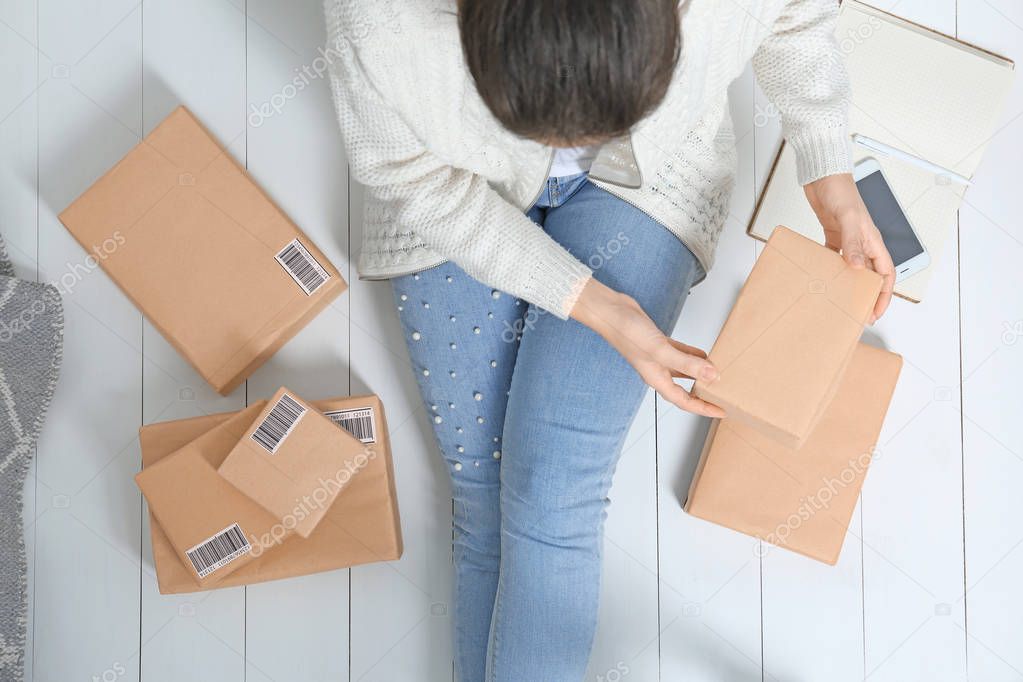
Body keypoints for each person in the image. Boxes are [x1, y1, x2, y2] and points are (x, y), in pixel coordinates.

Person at [326, 0, 894, 679]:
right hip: (452, 192)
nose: (564, 153)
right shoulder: (381, 20)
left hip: (651, 187)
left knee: (552, 490)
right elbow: (408, 177)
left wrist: (831, 179)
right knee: (481, 491)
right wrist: (598, 307)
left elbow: (795, 15)